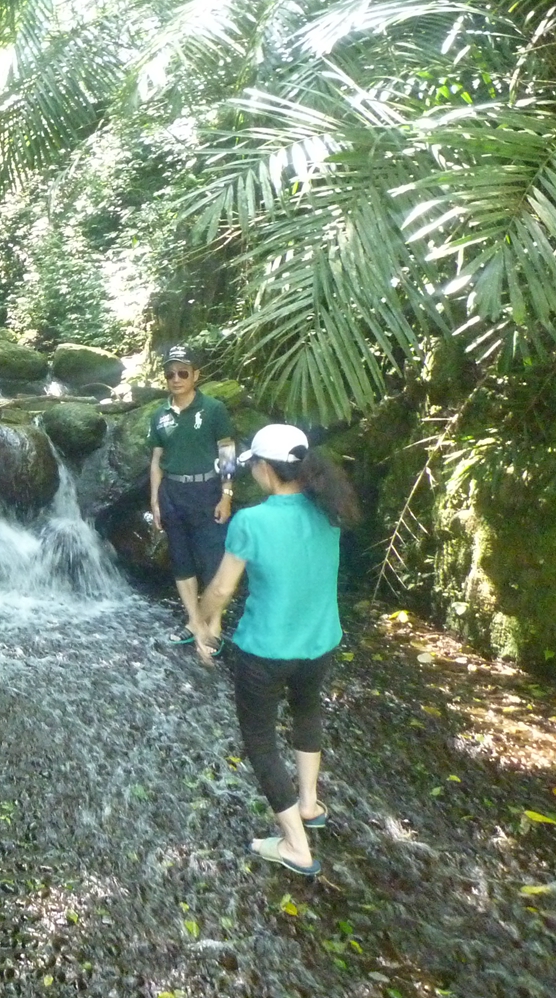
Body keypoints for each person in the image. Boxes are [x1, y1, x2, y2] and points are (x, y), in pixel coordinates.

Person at [194, 423, 361, 877]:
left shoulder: (252, 521)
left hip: (265, 650)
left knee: (261, 740)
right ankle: (309, 804)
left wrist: (202, 622)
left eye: (255, 467)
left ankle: (295, 845)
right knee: (307, 710)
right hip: (320, 641)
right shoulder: (329, 510)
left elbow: (221, 589)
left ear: (266, 469)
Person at [147, 345, 236, 647]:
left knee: (213, 558)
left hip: (206, 491)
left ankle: (215, 625)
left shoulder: (213, 409)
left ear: (196, 375)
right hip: (172, 492)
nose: (176, 379)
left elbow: (227, 452)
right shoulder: (159, 415)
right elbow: (157, 459)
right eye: (170, 374)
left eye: (183, 373)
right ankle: (194, 621)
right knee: (181, 558)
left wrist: (227, 494)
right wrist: (155, 500)